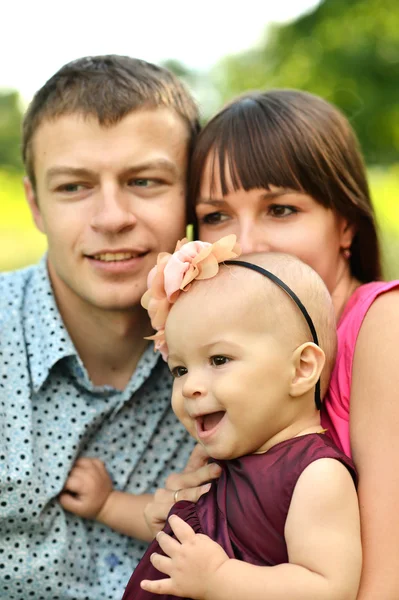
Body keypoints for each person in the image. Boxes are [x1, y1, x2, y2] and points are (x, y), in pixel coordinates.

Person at [0, 54, 222, 600]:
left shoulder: (248, 347)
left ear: (189, 198)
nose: (111, 217)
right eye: (74, 187)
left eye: (143, 181)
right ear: (35, 203)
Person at [184, 89, 399, 599]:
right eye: (216, 217)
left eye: (280, 209)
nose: (245, 244)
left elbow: (388, 578)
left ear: (345, 224)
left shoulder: (381, 325)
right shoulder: (233, 352)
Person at [63, 239, 361, 600]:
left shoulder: (315, 476)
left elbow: (329, 587)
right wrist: (108, 504)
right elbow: (176, 523)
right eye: (180, 369)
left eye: (219, 360)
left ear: (300, 369)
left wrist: (219, 578)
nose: (189, 387)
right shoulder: (221, 464)